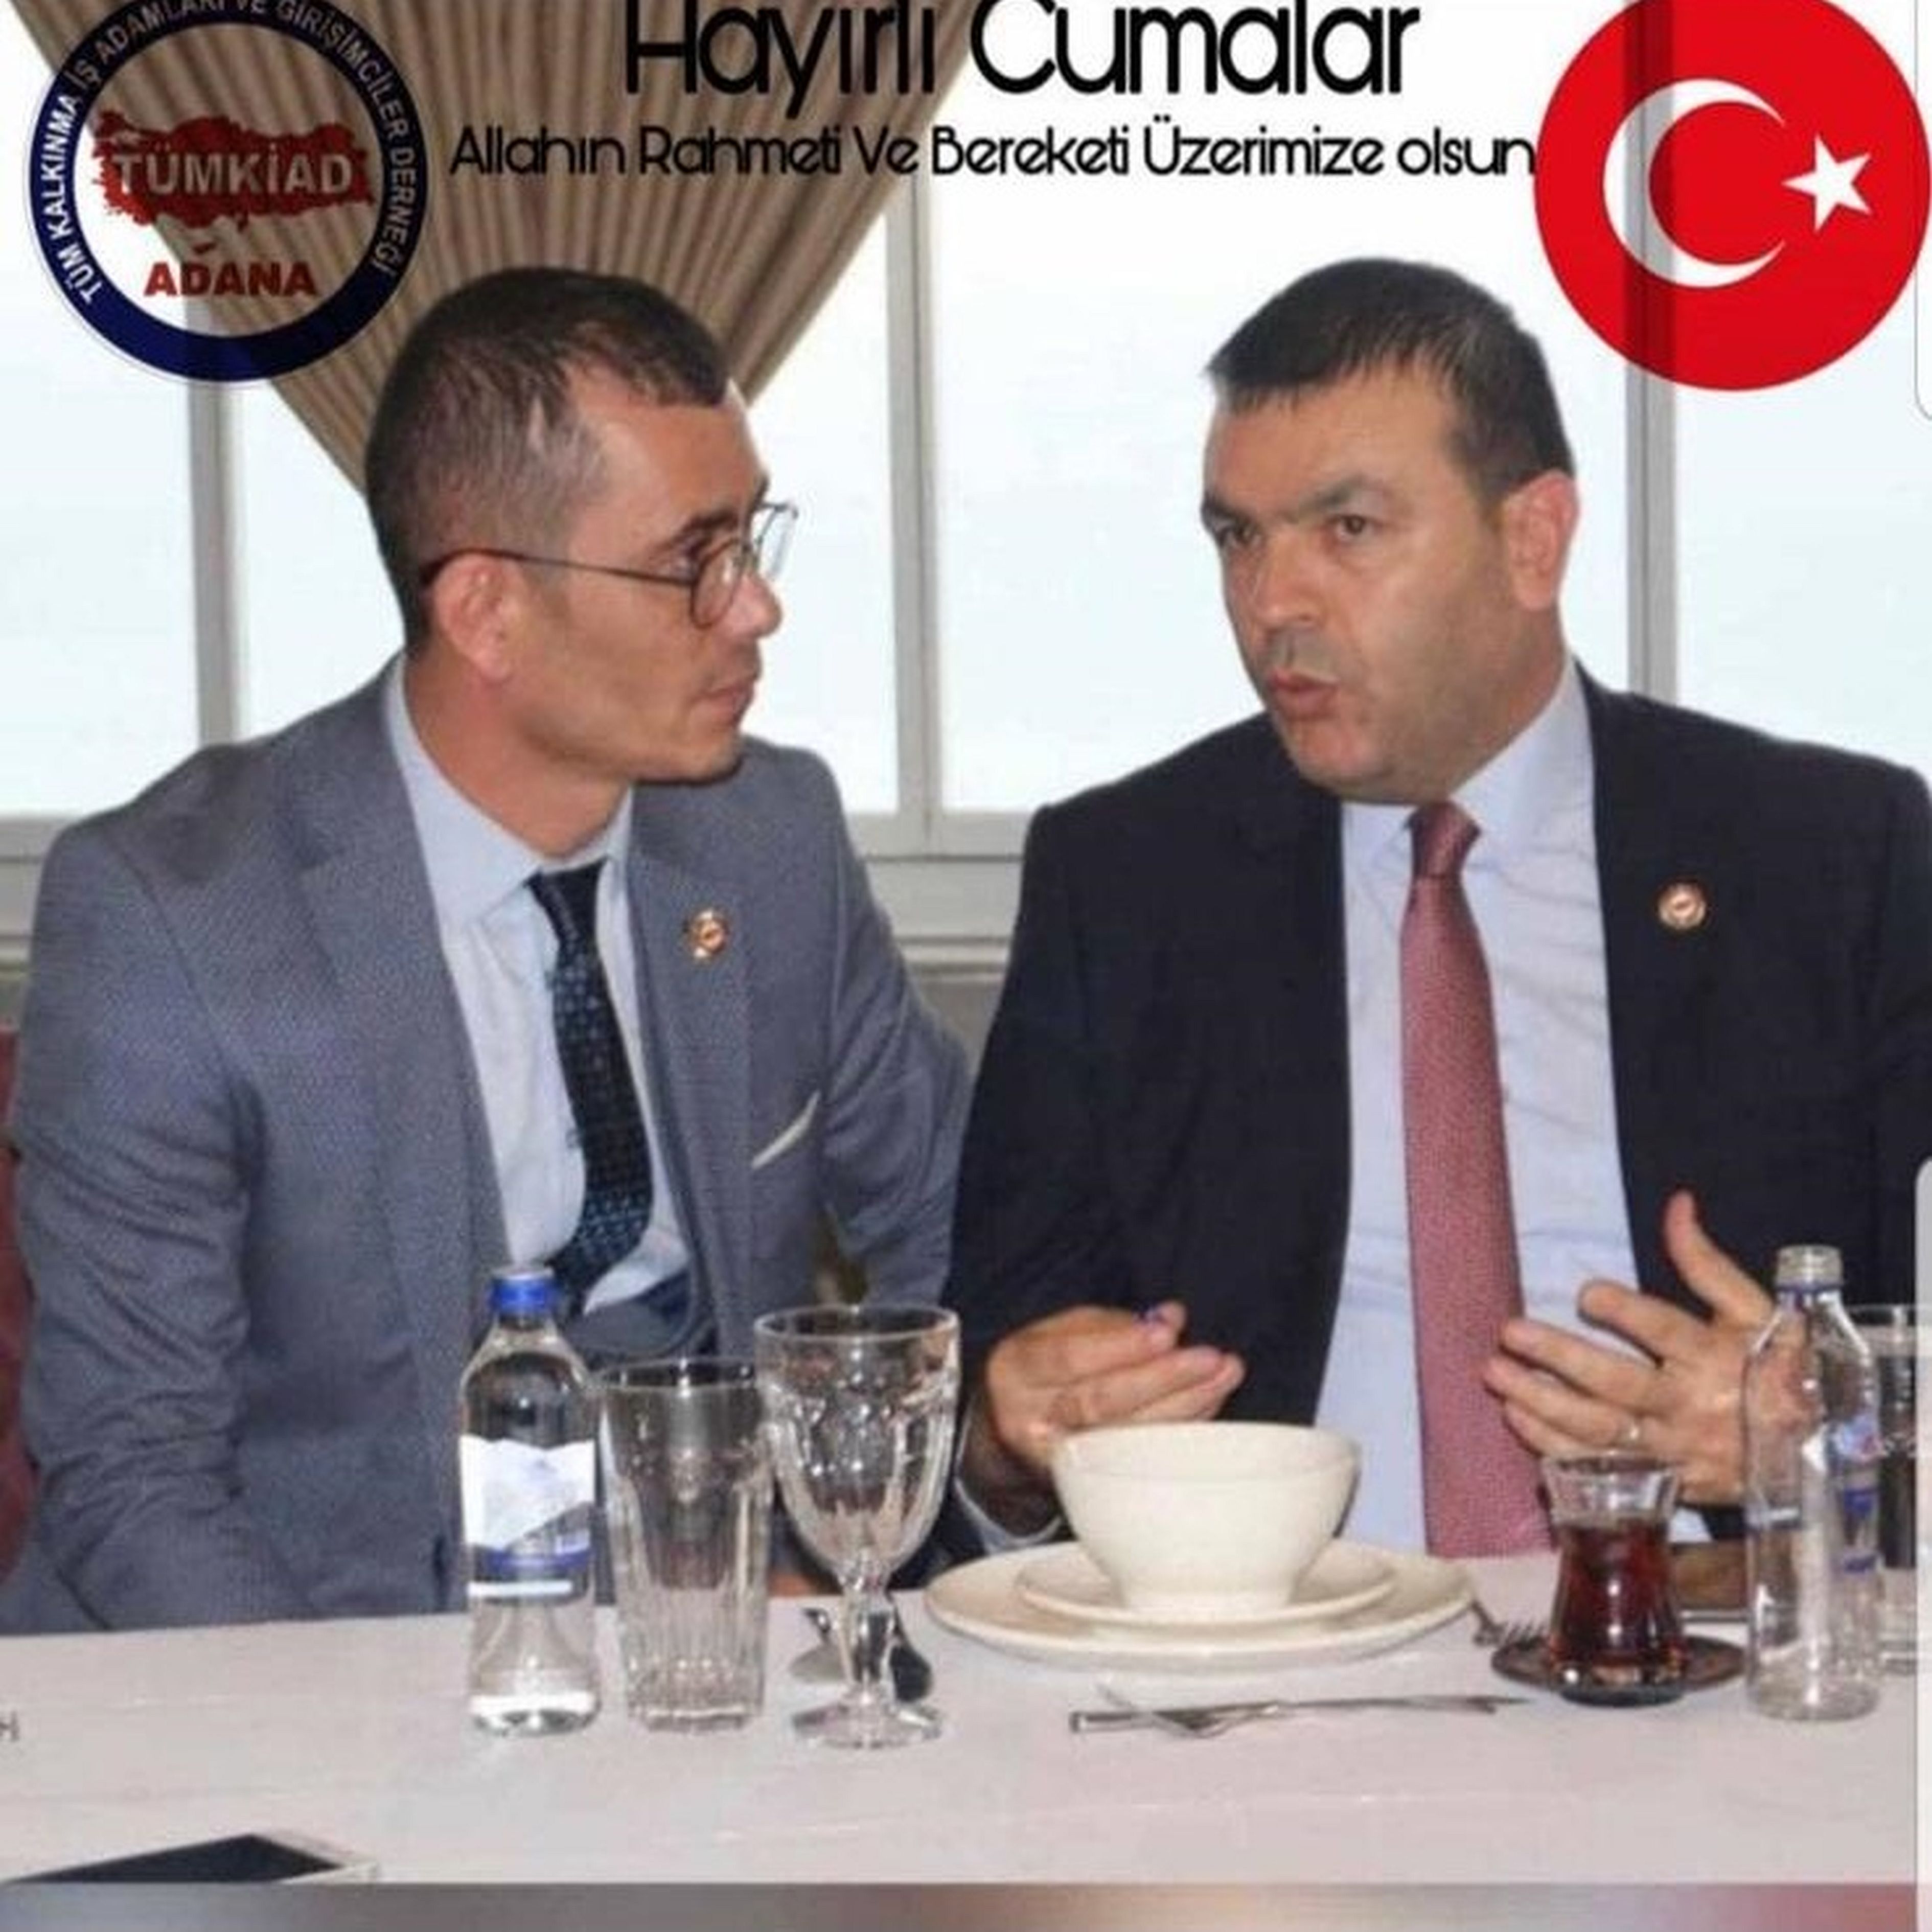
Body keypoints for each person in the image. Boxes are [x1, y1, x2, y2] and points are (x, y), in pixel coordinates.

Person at [1, 268, 968, 1630]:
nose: (755, 609)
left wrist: (862, 1532)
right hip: (306, 1653)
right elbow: (135, 1473)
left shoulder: (771, 841)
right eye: (693, 560)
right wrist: (372, 1748)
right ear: (485, 612)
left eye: (752, 539)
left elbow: (957, 1227)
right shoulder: (175, 918)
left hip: (711, 1654)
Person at [947, 258, 1931, 1551]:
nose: (1273, 603)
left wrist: (1814, 1441)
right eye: (1239, 538)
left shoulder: (1831, 857)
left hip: (1710, 1634)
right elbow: (999, 1407)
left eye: (1348, 530)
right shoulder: (1128, 880)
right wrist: (1012, 1445)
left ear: (1532, 540)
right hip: (1273, 1640)